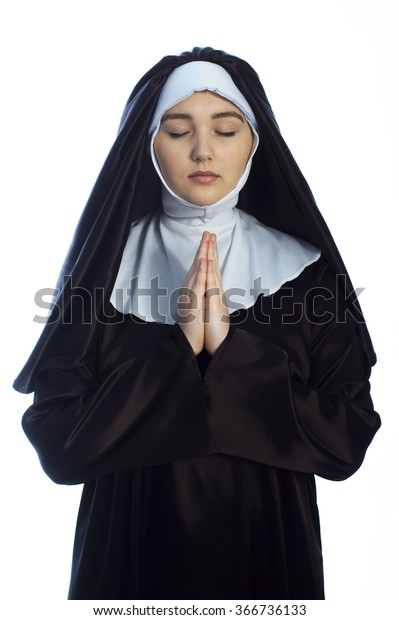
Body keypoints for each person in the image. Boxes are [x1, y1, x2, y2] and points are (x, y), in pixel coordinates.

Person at [13, 47, 381, 600]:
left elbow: (346, 440)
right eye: (178, 129)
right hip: (128, 567)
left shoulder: (308, 277)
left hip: (269, 562)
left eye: (226, 129)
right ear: (146, 142)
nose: (203, 150)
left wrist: (232, 356)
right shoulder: (102, 273)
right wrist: (178, 353)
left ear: (255, 141)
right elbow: (60, 446)